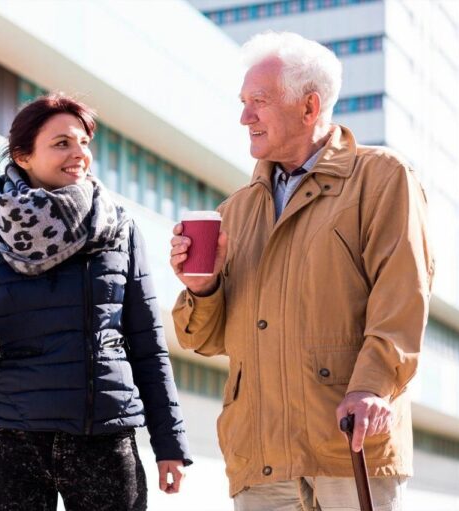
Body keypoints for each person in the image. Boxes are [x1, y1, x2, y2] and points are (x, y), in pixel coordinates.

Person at [170, 32, 433, 510]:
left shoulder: (381, 178)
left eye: (259, 102)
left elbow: (402, 297)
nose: (244, 116)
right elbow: (202, 340)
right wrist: (202, 290)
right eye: (243, 102)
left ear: (309, 106)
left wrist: (372, 386)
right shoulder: (235, 210)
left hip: (348, 444)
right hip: (259, 458)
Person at [0, 93, 191, 511]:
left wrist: (170, 444)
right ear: (22, 156)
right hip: (11, 443)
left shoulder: (119, 233)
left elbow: (147, 347)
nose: (79, 155)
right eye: (61, 144)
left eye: (84, 142)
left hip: (104, 438)